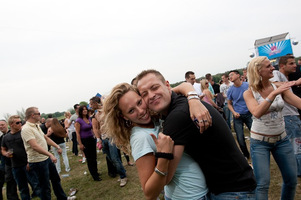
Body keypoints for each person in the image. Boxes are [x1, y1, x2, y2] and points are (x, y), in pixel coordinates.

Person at [136, 69, 256, 200]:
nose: (151, 95)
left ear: (167, 85)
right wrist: (191, 95)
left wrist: (160, 155)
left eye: (154, 87)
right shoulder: (182, 102)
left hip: (232, 190)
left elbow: (165, 178)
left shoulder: (177, 116)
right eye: (144, 94)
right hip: (232, 184)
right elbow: (181, 87)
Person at [102, 83, 209, 200]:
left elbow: (179, 88)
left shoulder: (154, 120)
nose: (141, 111)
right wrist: (164, 156)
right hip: (188, 196)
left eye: (139, 102)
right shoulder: (140, 138)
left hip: (199, 191)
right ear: (124, 117)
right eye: (131, 110)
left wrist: (193, 98)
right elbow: (149, 194)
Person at [243, 56, 298, 199]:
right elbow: (257, 112)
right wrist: (273, 94)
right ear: (258, 71)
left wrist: (276, 90)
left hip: (282, 139)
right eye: (268, 66)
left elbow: (298, 102)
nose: (272, 68)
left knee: (291, 180)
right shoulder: (249, 92)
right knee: (262, 184)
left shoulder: (278, 87)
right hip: (260, 142)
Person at [21, 107, 67, 200]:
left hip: (45, 159)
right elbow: (34, 146)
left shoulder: (36, 125)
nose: (40, 115)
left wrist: (57, 146)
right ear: (32, 115)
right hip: (37, 162)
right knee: (45, 187)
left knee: (56, 180)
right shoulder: (26, 129)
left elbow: (46, 138)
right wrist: (50, 154)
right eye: (38, 113)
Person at [271, 55, 301, 177]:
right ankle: (297, 171)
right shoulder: (276, 73)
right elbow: (274, 84)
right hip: (288, 116)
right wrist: (295, 82)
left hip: (292, 115)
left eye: (295, 63)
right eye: (291, 63)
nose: (295, 65)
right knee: (296, 146)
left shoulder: (284, 76)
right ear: (282, 65)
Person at [1, 115, 40, 200]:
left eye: (20, 122)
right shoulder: (6, 137)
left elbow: (33, 146)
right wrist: (6, 154)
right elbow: (3, 149)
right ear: (11, 124)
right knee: (22, 188)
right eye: (17, 122)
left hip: (27, 163)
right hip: (15, 166)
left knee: (36, 185)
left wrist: (29, 162)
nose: (20, 124)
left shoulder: (24, 133)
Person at [227, 70, 252, 159]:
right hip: (238, 116)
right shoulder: (230, 90)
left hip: (249, 114)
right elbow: (229, 104)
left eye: (232, 75)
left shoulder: (247, 85)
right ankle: (246, 155)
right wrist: (234, 112)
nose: (230, 77)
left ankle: (256, 152)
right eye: (229, 76)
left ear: (238, 75)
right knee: (240, 138)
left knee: (254, 134)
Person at [75, 105, 101, 181]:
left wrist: (96, 137)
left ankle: (96, 171)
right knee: (90, 159)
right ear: (80, 111)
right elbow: (77, 133)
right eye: (83, 110)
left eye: (86, 109)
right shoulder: (78, 121)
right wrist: (80, 144)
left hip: (91, 139)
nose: (85, 111)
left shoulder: (88, 118)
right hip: (84, 140)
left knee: (94, 156)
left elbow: (92, 128)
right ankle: (94, 175)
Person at [0, 120, 19, 200]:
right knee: (9, 180)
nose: (1, 126)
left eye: (2, 125)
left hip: (17, 161)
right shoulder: (1, 137)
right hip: (6, 163)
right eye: (0, 125)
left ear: (7, 124)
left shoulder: (11, 135)